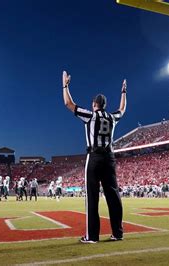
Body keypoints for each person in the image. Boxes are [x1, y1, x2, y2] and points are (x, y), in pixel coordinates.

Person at [62, 70, 126, 244]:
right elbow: (122, 110)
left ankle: (92, 236)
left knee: (92, 196)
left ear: (94, 104)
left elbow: (68, 103)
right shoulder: (111, 117)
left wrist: (65, 85)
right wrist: (123, 93)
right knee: (113, 195)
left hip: (95, 156)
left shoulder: (91, 116)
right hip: (110, 158)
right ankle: (118, 233)